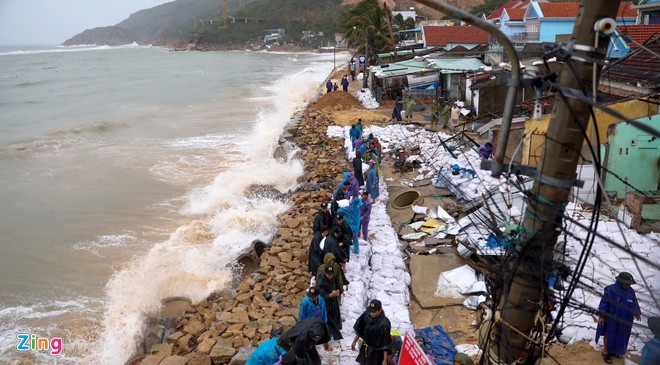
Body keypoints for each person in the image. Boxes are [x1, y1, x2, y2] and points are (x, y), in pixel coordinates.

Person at [596, 272, 642, 364]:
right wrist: (602, 316)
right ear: (620, 281)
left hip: (625, 319)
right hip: (612, 317)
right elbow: (604, 302)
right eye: (626, 283)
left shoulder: (630, 291)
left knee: (621, 336)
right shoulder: (611, 289)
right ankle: (606, 353)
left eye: (629, 284)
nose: (628, 285)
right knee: (610, 335)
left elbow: (634, 302)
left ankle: (615, 351)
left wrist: (637, 313)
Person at [352, 299, 392, 365]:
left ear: (380, 310)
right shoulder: (367, 315)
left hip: (376, 354)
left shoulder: (384, 324)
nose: (372, 313)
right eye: (371, 311)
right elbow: (361, 329)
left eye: (374, 312)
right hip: (365, 348)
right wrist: (354, 341)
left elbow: (385, 343)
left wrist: (384, 360)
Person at [317, 265, 343, 340]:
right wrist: (330, 295)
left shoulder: (333, 278)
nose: (330, 276)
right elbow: (321, 295)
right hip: (325, 304)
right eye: (329, 274)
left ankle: (333, 333)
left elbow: (338, 287)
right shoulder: (321, 280)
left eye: (331, 274)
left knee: (334, 318)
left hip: (333, 302)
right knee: (328, 319)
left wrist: (338, 291)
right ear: (325, 273)